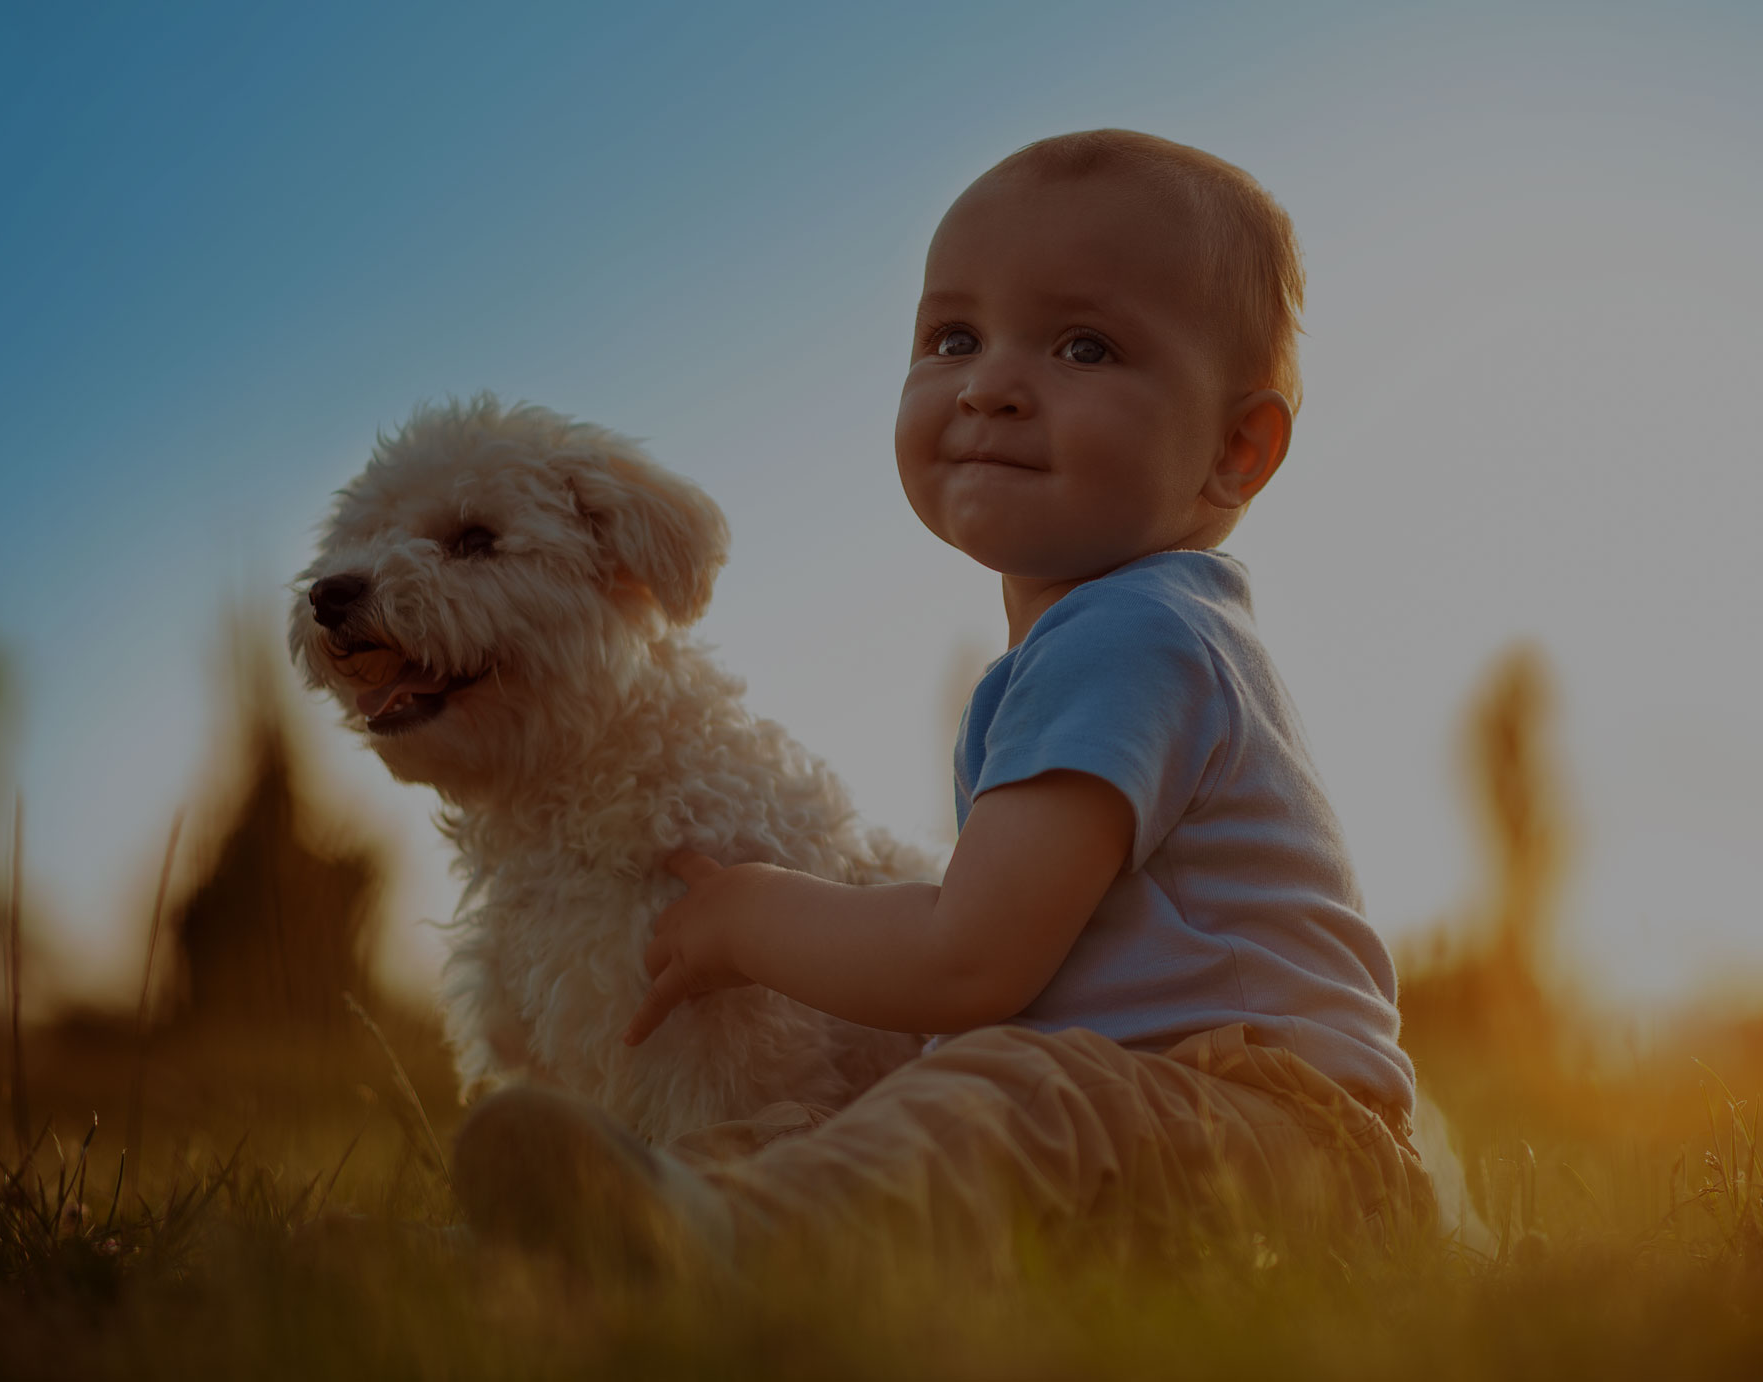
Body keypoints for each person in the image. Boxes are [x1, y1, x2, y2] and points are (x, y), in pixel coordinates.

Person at [454, 128, 1434, 1279]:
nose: (991, 385)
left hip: (1281, 1136)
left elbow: (972, 957)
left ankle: (717, 1239)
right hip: (1167, 1120)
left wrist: (752, 915)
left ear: (1236, 448)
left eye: (1084, 345)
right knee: (890, 1117)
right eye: (952, 337)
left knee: (995, 1095)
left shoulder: (1135, 632)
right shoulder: (1119, 638)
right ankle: (592, 1236)